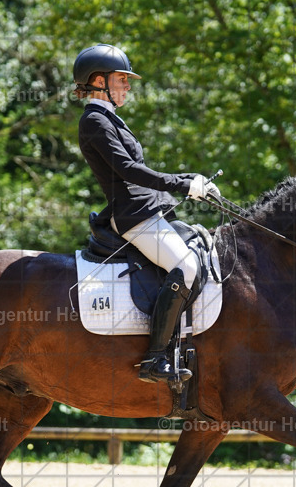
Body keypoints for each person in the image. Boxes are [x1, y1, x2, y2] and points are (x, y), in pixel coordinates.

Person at [73, 43, 220, 383]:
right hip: (135, 216)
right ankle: (156, 359)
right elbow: (127, 170)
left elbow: (140, 170)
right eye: (122, 79)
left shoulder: (110, 118)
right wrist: (181, 185)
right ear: (99, 81)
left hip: (150, 209)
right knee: (185, 267)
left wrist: (187, 180)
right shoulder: (95, 121)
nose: (127, 86)